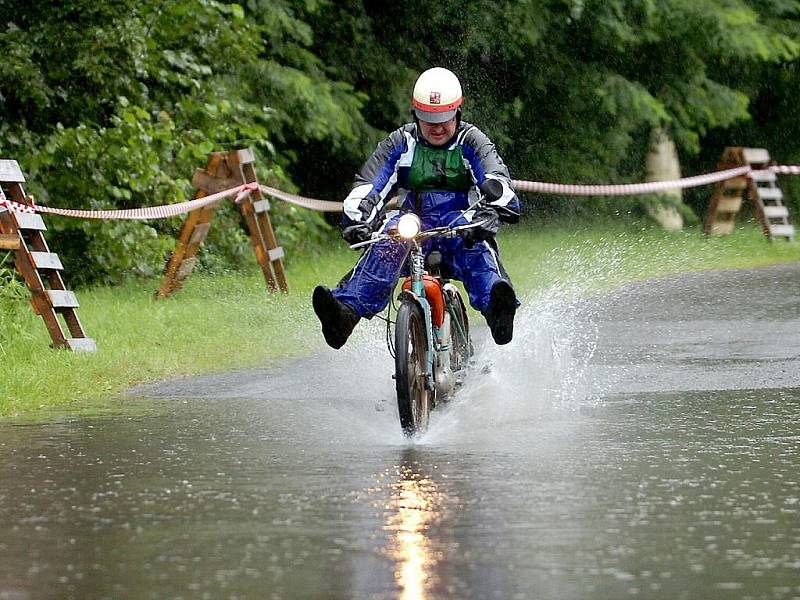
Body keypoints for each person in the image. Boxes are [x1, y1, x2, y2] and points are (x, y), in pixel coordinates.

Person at [312, 66, 520, 349]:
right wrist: (358, 220)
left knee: (476, 249)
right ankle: (343, 316)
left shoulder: (471, 141)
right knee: (385, 246)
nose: (437, 127)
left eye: (444, 119)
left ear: (457, 112)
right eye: (428, 119)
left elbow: (496, 177)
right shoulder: (401, 142)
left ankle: (498, 308)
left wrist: (494, 210)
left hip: (457, 223)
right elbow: (371, 183)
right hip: (411, 223)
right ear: (416, 115)